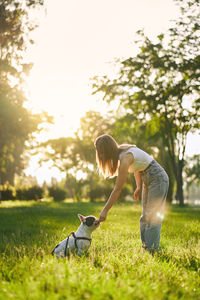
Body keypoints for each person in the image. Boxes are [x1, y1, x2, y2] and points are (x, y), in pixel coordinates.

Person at [94, 134, 169, 252]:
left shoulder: (125, 158)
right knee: (145, 216)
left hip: (158, 177)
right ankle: (146, 248)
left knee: (152, 216)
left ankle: (152, 250)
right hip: (147, 177)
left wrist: (105, 210)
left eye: (101, 152)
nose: (101, 156)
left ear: (107, 151)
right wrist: (139, 186)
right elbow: (137, 167)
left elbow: (117, 189)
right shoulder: (122, 152)